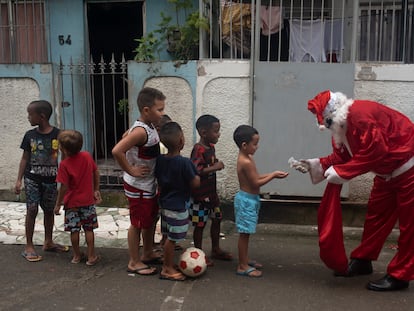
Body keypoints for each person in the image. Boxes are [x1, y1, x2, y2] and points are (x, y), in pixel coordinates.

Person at [298, 90, 414, 291]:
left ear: (334, 114)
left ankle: (401, 275)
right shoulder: (341, 128)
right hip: (387, 173)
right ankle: (363, 259)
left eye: (326, 122)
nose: (325, 127)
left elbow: (376, 150)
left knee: (410, 225)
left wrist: (343, 172)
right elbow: (342, 158)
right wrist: (317, 165)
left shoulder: (360, 114)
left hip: (409, 167)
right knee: (375, 217)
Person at [112, 87, 165, 276]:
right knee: (137, 223)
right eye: (159, 109)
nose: (162, 113)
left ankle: (148, 251)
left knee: (150, 219)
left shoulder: (146, 127)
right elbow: (117, 150)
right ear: (146, 110)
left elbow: (125, 138)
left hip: (148, 184)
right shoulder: (141, 131)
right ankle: (134, 261)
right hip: (139, 186)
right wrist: (131, 169)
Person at [15, 100, 69, 262]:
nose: (28, 117)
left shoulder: (59, 135)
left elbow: (65, 158)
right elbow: (25, 158)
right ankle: (29, 246)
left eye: (30, 114)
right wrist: (19, 180)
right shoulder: (29, 135)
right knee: (32, 210)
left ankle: (48, 241)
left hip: (51, 180)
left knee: (48, 210)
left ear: (42, 116)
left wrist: (65, 179)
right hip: (31, 179)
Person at [233, 125, 288, 277]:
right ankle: (242, 266)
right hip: (246, 201)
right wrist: (274, 176)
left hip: (251, 199)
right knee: (244, 233)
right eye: (255, 144)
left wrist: (273, 173)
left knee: (247, 232)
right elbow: (256, 183)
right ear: (244, 145)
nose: (257, 147)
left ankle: (245, 259)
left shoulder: (248, 158)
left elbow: (256, 177)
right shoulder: (246, 162)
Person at [155, 121, 200, 281]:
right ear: (181, 140)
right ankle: (167, 268)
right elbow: (195, 183)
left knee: (167, 236)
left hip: (165, 203)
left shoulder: (160, 160)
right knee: (173, 239)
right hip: (178, 207)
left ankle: (167, 263)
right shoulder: (184, 163)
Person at [189, 114, 232, 266]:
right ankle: (198, 253)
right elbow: (195, 170)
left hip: (212, 195)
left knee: (217, 219)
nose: (218, 134)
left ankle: (215, 249)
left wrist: (215, 165)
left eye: (218, 130)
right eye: (216, 131)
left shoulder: (211, 148)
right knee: (200, 225)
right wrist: (215, 166)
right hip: (200, 197)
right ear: (203, 132)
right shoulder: (198, 150)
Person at [54, 130, 101, 265]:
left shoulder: (64, 165)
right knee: (89, 228)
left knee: (74, 229)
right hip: (87, 201)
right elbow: (95, 172)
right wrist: (96, 189)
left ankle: (76, 256)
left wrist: (58, 204)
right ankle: (91, 256)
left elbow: (64, 186)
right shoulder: (86, 156)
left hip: (72, 203)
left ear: (64, 149)